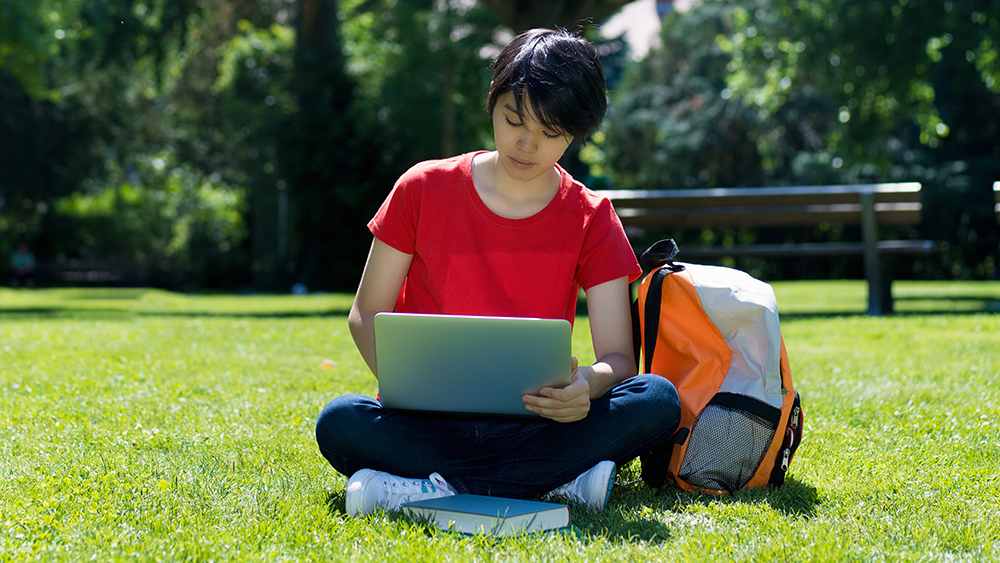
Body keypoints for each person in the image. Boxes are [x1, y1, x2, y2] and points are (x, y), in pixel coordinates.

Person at [315, 28, 681, 517]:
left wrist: (585, 388)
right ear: (493, 103)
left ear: (576, 134)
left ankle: (426, 486)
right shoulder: (422, 188)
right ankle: (551, 482)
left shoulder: (592, 216)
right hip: (426, 422)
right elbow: (366, 313)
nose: (527, 145)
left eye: (551, 134)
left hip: (540, 423)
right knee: (340, 421)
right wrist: (414, 387)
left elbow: (617, 359)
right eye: (514, 121)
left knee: (657, 399)